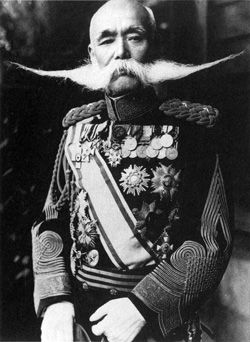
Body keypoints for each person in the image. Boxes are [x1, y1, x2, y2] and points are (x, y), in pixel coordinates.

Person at [31, 1, 234, 341]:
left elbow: (212, 237)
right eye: (107, 39)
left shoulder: (195, 132)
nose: (121, 52)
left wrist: (143, 306)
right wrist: (55, 301)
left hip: (159, 324)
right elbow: (51, 220)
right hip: (80, 322)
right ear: (92, 53)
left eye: (134, 37)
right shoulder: (75, 131)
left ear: (153, 47)